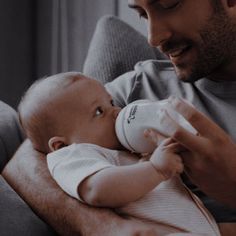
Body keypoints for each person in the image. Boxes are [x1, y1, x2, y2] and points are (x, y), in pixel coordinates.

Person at [2, 0, 236, 235]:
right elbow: (28, 159)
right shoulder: (136, 89)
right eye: (142, 14)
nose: (153, 38)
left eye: (168, 4)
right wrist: (103, 226)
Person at [18, 71, 221, 236]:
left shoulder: (120, 148)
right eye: (99, 111)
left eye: (112, 102)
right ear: (61, 145)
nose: (116, 112)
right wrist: (155, 168)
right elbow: (97, 190)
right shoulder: (72, 156)